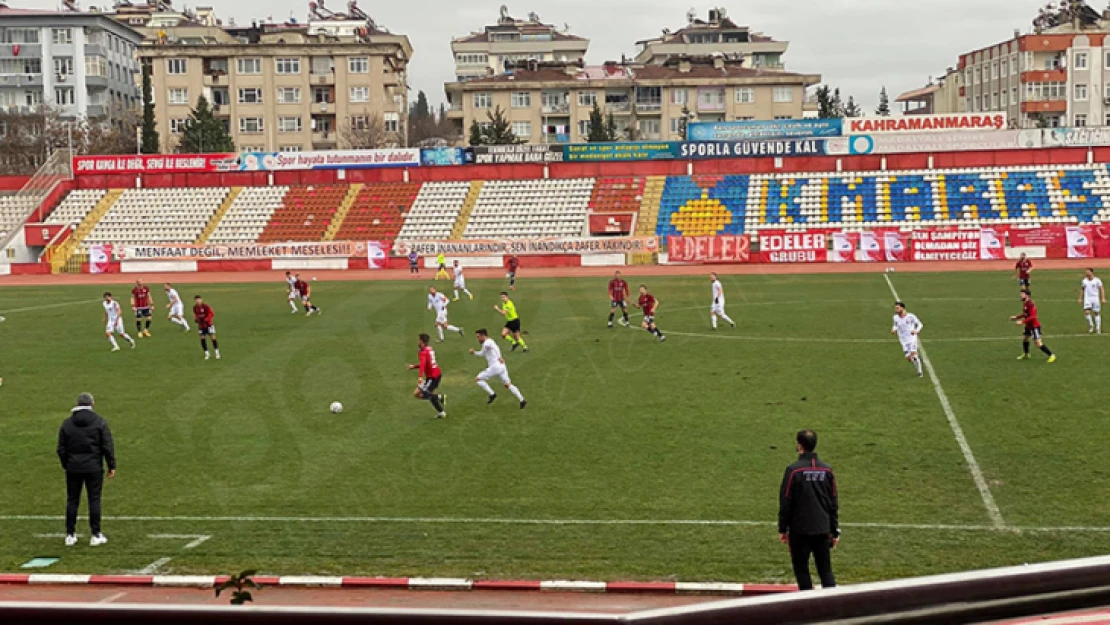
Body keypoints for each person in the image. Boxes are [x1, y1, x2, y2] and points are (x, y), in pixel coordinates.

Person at [778, 429, 839, 591]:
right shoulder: (827, 471)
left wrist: (782, 528)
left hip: (800, 530)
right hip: (822, 528)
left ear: (799, 445)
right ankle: (832, 606)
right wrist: (835, 530)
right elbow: (833, 502)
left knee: (801, 569)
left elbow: (785, 501)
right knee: (826, 571)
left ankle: (808, 607)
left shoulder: (793, 471)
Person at [57, 392, 116, 547]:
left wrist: (67, 464)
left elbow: (61, 449)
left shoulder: (67, 424)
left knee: (72, 500)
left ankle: (70, 535)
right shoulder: (99, 422)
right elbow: (107, 446)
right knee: (94, 500)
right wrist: (111, 465)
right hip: (94, 467)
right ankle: (95, 534)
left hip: (73, 467)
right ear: (92, 403)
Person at [471, 328, 526, 409]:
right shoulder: (490, 341)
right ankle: (522, 400)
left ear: (483, 335)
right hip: (501, 366)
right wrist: (499, 357)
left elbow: (485, 352)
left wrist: (474, 352)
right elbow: (494, 349)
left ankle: (492, 394)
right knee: (508, 384)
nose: (477, 339)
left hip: (495, 367)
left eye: (478, 337)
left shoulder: (486, 344)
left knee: (478, 379)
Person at [407, 333, 447, 419]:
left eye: (419, 340)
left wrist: (420, 377)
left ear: (421, 341)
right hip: (436, 374)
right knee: (422, 394)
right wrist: (413, 366)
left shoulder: (422, 352)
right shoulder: (430, 349)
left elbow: (423, 364)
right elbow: (426, 363)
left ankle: (440, 397)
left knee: (420, 393)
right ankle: (442, 412)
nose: (418, 342)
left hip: (433, 377)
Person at [1012, 289, 1055, 363]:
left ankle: (1051, 355)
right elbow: (1025, 314)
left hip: (1034, 326)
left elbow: (1033, 316)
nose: (1021, 296)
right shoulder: (1025, 304)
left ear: (1027, 295)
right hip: (1028, 326)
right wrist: (1016, 317)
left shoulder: (1031, 305)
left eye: (1022, 294)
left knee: (1038, 343)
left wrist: (1022, 322)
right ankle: (1026, 354)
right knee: (1025, 338)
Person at [891, 301, 924, 377]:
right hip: (903, 340)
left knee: (914, 356)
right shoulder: (895, 317)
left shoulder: (911, 316)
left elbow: (920, 324)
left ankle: (920, 372)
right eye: (895, 308)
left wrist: (916, 331)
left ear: (902, 308)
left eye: (898, 308)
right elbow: (895, 325)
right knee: (909, 358)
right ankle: (917, 360)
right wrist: (893, 329)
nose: (896, 309)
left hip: (912, 339)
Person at [193, 295, 221, 361]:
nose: (198, 301)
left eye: (199, 299)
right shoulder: (195, 308)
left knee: (213, 338)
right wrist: (196, 319)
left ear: (201, 300)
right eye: (197, 300)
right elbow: (196, 314)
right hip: (201, 326)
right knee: (202, 338)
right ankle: (207, 353)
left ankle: (217, 353)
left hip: (209, 325)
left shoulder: (206, 307)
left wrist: (207, 319)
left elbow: (212, 314)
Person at [1080, 268, 1105, 335]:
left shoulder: (1097, 280)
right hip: (1087, 299)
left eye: (1088, 272)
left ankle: (1098, 328)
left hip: (1095, 298)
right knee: (1087, 312)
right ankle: (1091, 325)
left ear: (1091, 272)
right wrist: (1080, 298)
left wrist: (1103, 298)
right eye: (1086, 272)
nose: (1086, 273)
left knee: (1096, 313)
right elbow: (1082, 289)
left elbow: (1101, 288)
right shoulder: (1084, 281)